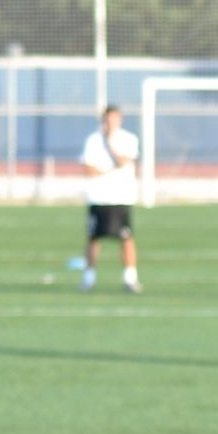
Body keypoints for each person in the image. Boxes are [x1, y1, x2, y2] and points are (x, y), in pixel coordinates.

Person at [80, 105, 141, 293]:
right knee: (93, 238)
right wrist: (106, 169)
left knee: (126, 238)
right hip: (98, 198)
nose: (111, 122)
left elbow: (124, 161)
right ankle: (88, 279)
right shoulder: (92, 140)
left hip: (121, 197)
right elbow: (89, 169)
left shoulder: (128, 139)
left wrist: (109, 145)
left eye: (115, 118)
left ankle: (130, 278)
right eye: (108, 119)